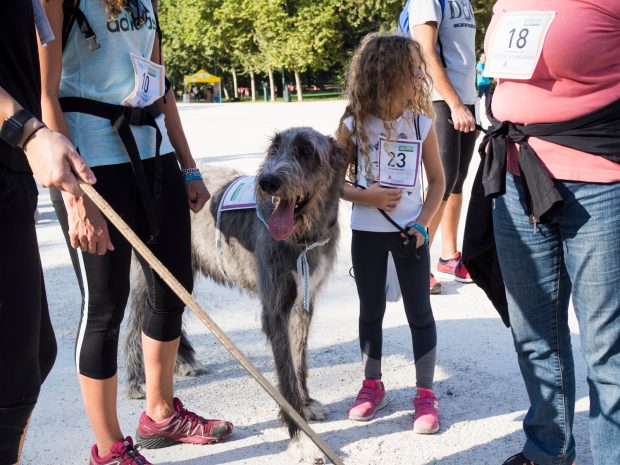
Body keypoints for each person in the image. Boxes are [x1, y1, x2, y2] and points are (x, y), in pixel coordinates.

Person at [38, 1, 233, 464]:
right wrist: (75, 196)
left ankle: (161, 414)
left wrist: (188, 167)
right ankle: (108, 449)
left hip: (153, 152)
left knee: (173, 288)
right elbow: (45, 96)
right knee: (104, 307)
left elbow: (160, 86)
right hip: (91, 165)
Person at [482, 1, 620, 465]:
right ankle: (547, 451)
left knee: (607, 347)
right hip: (518, 173)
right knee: (534, 334)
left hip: (601, 181)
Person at [0, 2, 96, 464]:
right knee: (11, 375)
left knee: (35, 354)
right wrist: (26, 131)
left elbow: (41, 81)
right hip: (14, 145)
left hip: (15, 171)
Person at [336, 33, 445, 432]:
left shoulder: (421, 122)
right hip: (367, 234)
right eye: (413, 67)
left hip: (409, 236)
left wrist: (423, 225)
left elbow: (437, 182)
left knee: (420, 313)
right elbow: (329, 181)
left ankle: (424, 394)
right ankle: (371, 385)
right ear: (385, 72)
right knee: (371, 312)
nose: (421, 74)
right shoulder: (352, 124)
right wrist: (367, 197)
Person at [408, 0, 477, 294]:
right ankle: (416, 262)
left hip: (465, 97)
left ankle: (449, 257)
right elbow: (425, 51)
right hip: (441, 100)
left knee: (458, 182)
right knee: (442, 181)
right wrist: (454, 103)